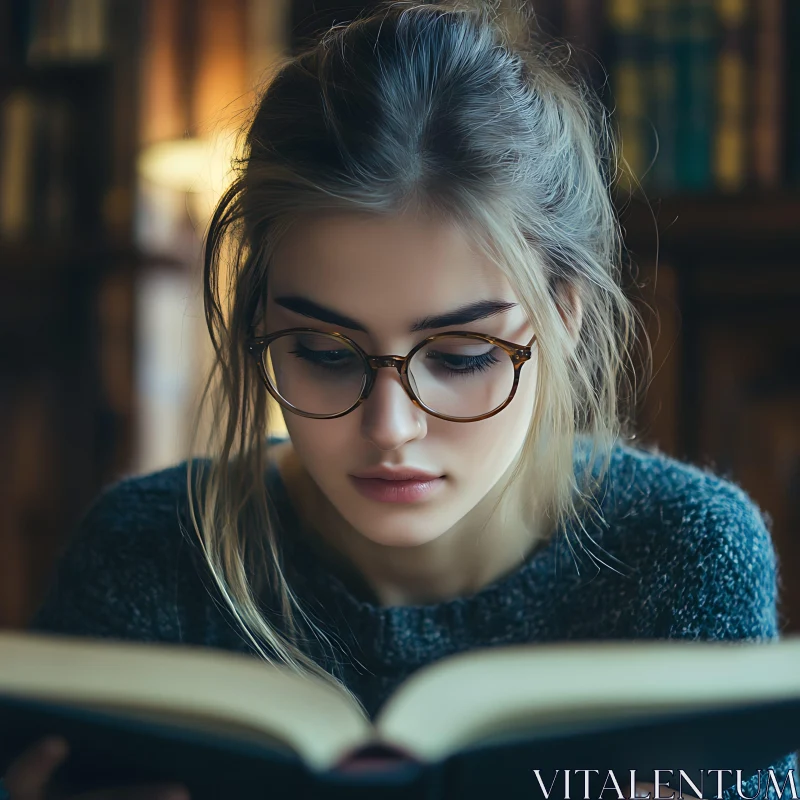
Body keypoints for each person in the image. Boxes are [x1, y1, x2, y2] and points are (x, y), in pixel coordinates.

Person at [2, 2, 796, 799]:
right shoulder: (148, 555)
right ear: (257, 322)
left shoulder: (682, 554)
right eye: (323, 354)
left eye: (461, 357)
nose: (390, 428)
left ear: (563, 315)